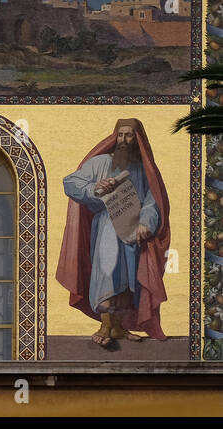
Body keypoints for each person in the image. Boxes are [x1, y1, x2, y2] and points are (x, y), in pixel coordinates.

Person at [59, 118, 170, 347]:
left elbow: (152, 201)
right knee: (107, 274)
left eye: (129, 136)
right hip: (107, 229)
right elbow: (71, 182)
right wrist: (95, 188)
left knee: (129, 280)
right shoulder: (100, 163)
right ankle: (105, 326)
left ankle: (118, 328)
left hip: (132, 231)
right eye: (120, 135)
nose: (123, 140)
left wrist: (146, 223)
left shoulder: (143, 170)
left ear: (137, 139)